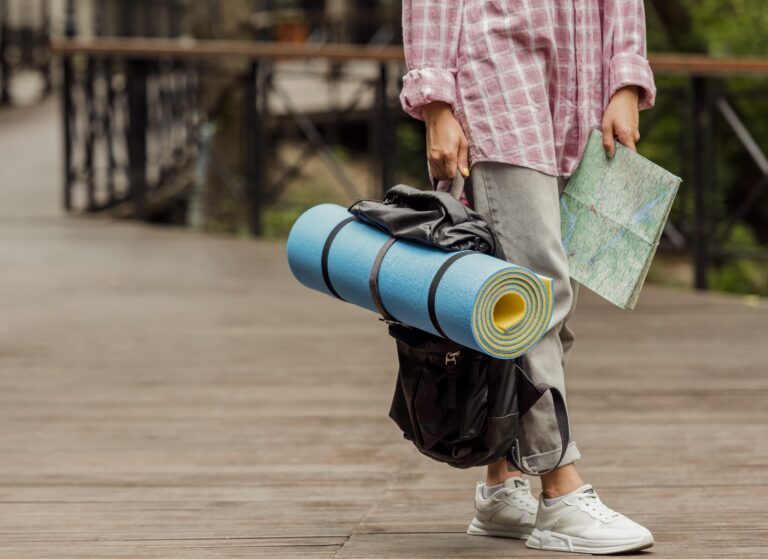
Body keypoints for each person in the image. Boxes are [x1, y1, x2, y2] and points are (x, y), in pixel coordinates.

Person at [399, 1, 656, 554]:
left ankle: (502, 477)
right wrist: (437, 101)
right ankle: (560, 489)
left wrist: (625, 80)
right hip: (494, 63)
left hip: (579, 66)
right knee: (535, 288)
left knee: (537, 294)